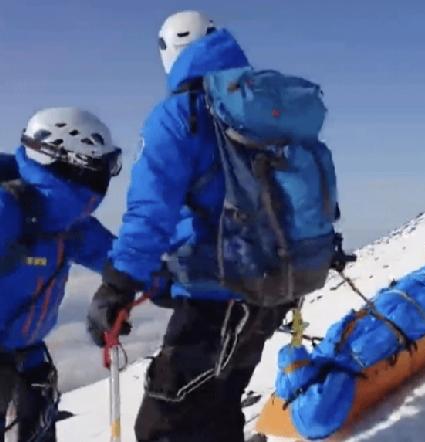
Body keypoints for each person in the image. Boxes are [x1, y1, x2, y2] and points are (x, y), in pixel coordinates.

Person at [85, 11, 344, 442]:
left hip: (218, 294)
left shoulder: (178, 115)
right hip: (276, 286)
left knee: (163, 424)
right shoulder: (262, 108)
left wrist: (118, 285)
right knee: (218, 403)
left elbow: (150, 212)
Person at [0, 107, 121, 441]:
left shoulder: (67, 223)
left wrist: (121, 292)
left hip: (29, 368)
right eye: (101, 167)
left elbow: (128, 263)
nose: (105, 178)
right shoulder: (7, 210)